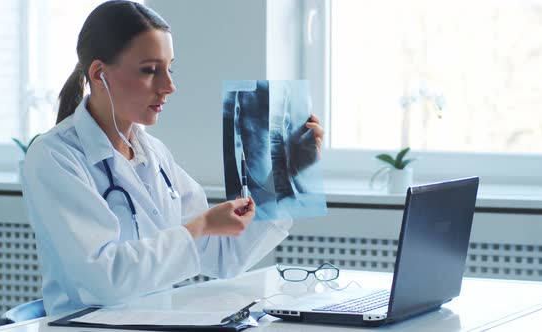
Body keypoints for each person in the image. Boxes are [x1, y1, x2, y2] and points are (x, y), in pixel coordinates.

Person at [21, 1, 324, 316]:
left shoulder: (153, 154)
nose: (169, 86)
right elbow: (104, 279)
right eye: (150, 70)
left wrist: (285, 176)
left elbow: (224, 254)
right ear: (100, 74)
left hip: (158, 320)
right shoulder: (54, 157)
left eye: (169, 68)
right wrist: (200, 226)